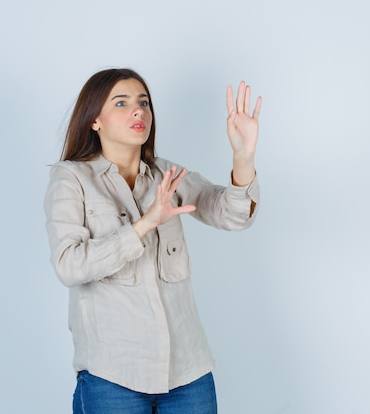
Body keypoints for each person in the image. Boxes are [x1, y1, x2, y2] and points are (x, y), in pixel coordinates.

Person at [44, 68, 262, 414]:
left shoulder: (168, 175)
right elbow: (70, 264)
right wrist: (146, 223)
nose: (138, 110)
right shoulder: (71, 179)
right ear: (94, 120)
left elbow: (233, 215)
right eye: (122, 102)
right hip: (113, 376)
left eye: (143, 102)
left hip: (188, 374)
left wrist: (243, 157)